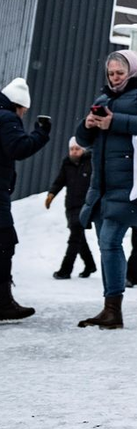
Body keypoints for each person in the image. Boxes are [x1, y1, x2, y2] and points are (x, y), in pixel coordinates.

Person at [74, 53, 137, 330]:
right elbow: (83, 141)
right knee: (108, 243)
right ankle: (111, 308)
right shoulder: (104, 99)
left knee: (109, 240)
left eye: (120, 72)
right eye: (111, 73)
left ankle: (112, 309)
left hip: (133, 181)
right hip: (103, 184)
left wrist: (114, 122)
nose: (115, 77)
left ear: (134, 70)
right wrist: (88, 124)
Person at [1, 77, 52, 321]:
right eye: (23, 111)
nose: (22, 115)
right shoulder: (7, 117)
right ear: (18, 105)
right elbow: (19, 148)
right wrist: (41, 133)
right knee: (4, 243)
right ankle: (2, 302)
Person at [44, 138, 96, 279]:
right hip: (70, 205)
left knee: (74, 238)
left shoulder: (90, 163)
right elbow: (60, 181)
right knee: (79, 237)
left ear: (83, 150)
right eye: (72, 149)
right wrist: (51, 194)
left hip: (84, 206)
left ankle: (65, 270)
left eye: (77, 149)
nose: (74, 151)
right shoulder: (67, 164)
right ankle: (90, 265)